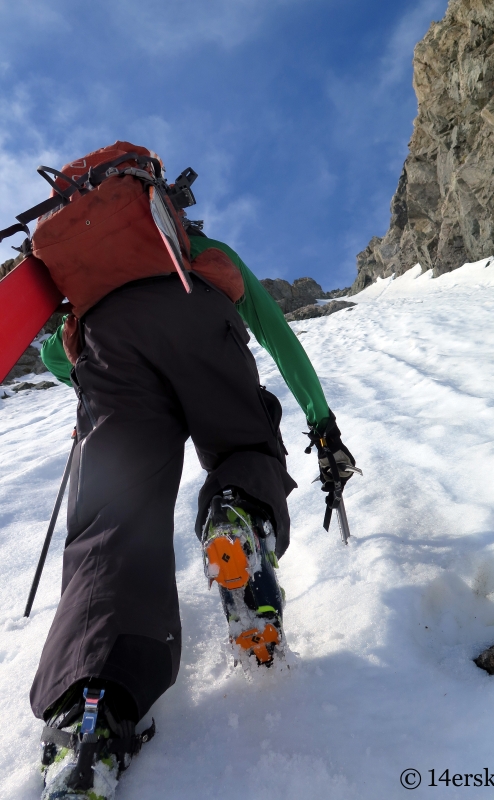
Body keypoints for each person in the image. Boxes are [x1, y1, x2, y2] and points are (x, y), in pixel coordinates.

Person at [31, 142, 356, 800]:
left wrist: (89, 377)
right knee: (243, 443)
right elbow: (276, 336)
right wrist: (321, 424)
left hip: (105, 344)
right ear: (163, 203)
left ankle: (90, 715)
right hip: (196, 311)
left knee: (112, 522)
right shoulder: (202, 252)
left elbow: (58, 361)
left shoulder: (89, 277)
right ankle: (237, 514)